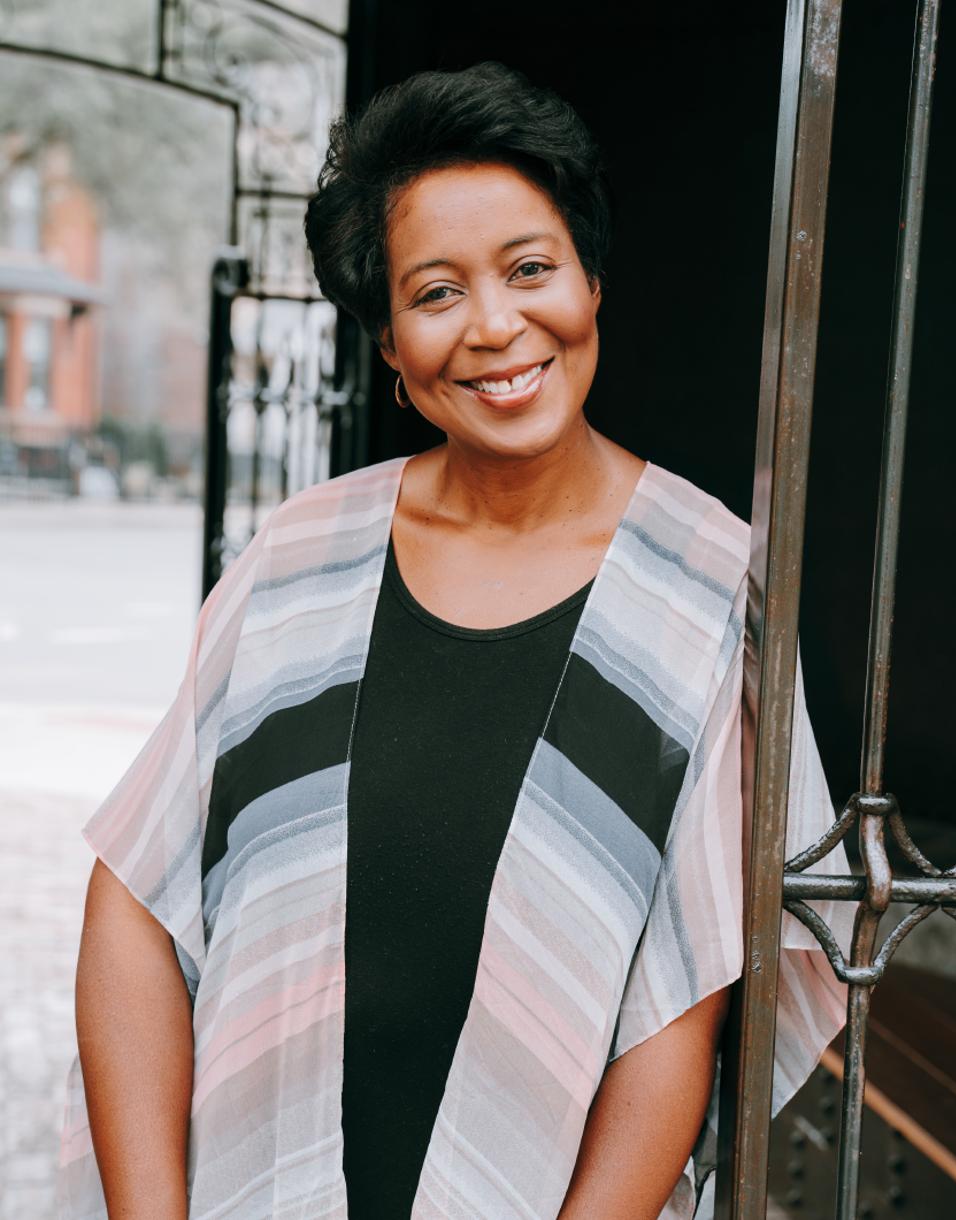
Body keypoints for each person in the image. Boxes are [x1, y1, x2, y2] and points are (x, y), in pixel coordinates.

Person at [57, 61, 853, 1220]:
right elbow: (133, 897)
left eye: (531, 269)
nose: (495, 326)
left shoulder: (700, 584)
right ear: (386, 344)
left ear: (589, 281)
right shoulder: (302, 557)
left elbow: (685, 996)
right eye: (434, 293)